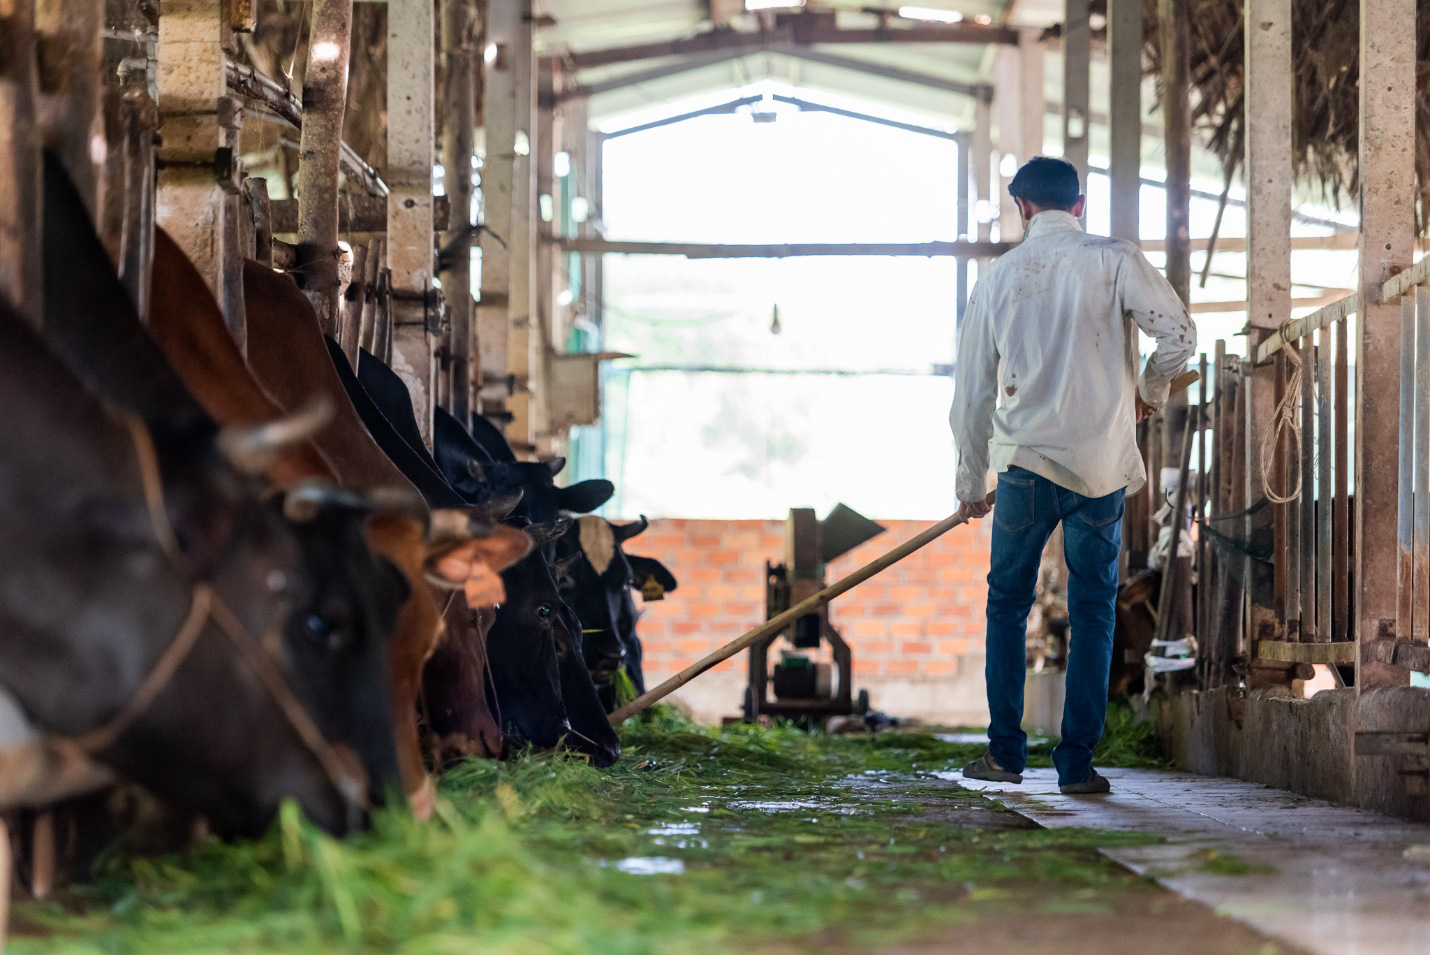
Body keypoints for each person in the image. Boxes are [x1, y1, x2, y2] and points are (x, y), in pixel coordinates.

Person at [950, 156, 1196, 795]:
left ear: (1023, 209)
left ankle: (1005, 754)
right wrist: (1149, 386)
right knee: (1093, 610)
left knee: (1006, 605)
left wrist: (970, 481)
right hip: (1100, 467)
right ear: (1078, 205)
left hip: (1024, 467)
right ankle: (1077, 764)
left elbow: (972, 394)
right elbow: (1177, 336)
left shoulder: (998, 278)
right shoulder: (1115, 259)